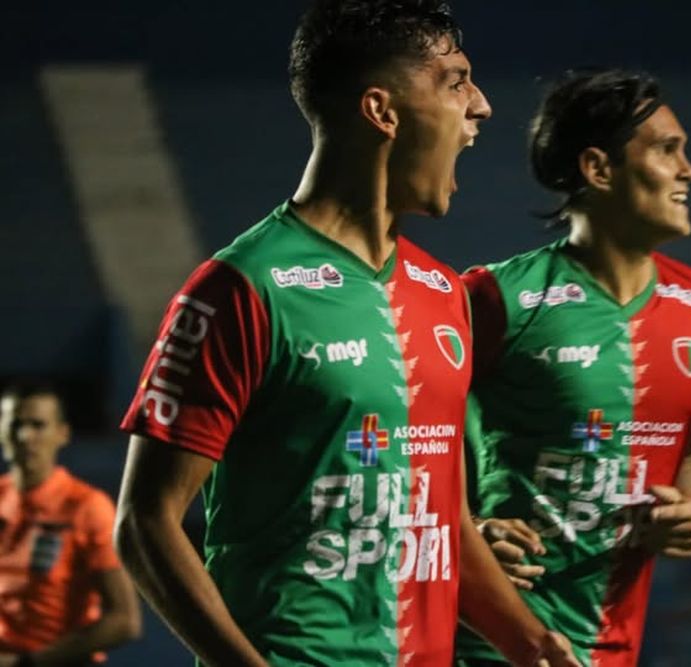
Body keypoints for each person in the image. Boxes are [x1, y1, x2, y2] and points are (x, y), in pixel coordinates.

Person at [113, 1, 579, 665]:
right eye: (455, 82)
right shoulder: (242, 288)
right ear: (382, 111)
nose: (481, 106)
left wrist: (532, 644)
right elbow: (145, 524)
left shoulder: (443, 292)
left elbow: (438, 516)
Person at [455, 69, 691, 666]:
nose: (689, 170)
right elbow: (412, 433)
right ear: (598, 169)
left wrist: (685, 507)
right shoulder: (496, 298)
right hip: (494, 645)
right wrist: (469, 530)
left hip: (617, 648)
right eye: (667, 150)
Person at [0, 381, 141, 666]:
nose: (25, 436)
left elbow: (124, 620)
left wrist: (26, 664)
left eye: (38, 425)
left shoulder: (86, 506)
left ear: (62, 434)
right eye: (16, 425)